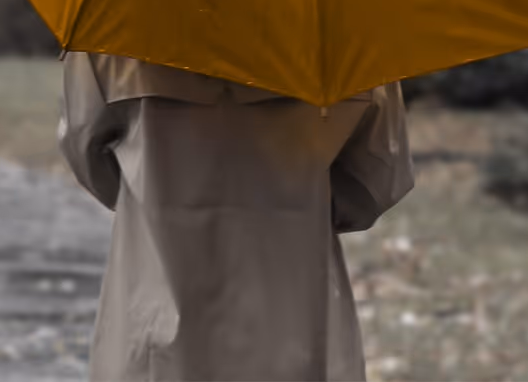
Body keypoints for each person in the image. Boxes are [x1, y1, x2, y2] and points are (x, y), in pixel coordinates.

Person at [58, 51, 416, 382]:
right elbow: (377, 178)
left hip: (156, 296)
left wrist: (152, 196)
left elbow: (86, 148)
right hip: (291, 306)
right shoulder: (350, 30)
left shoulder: (114, 22)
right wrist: (298, 201)